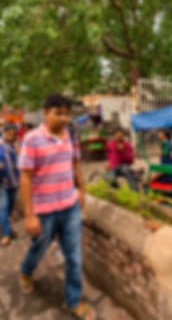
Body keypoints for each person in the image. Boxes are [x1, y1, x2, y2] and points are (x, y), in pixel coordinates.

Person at [18, 94, 95, 319]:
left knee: (74, 256)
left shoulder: (71, 135)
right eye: (57, 113)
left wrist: (81, 189)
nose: (63, 118)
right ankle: (25, 271)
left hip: (69, 206)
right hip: (44, 211)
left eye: (65, 113)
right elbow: (25, 178)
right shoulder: (32, 139)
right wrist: (29, 215)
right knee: (39, 249)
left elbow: (75, 162)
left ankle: (72, 300)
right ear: (46, 113)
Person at [0, 123, 20, 246]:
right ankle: (6, 234)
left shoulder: (17, 146)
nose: (10, 135)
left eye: (13, 133)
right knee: (3, 207)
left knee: (10, 208)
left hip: (15, 182)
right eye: (8, 132)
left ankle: (7, 228)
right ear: (4, 132)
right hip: (3, 183)